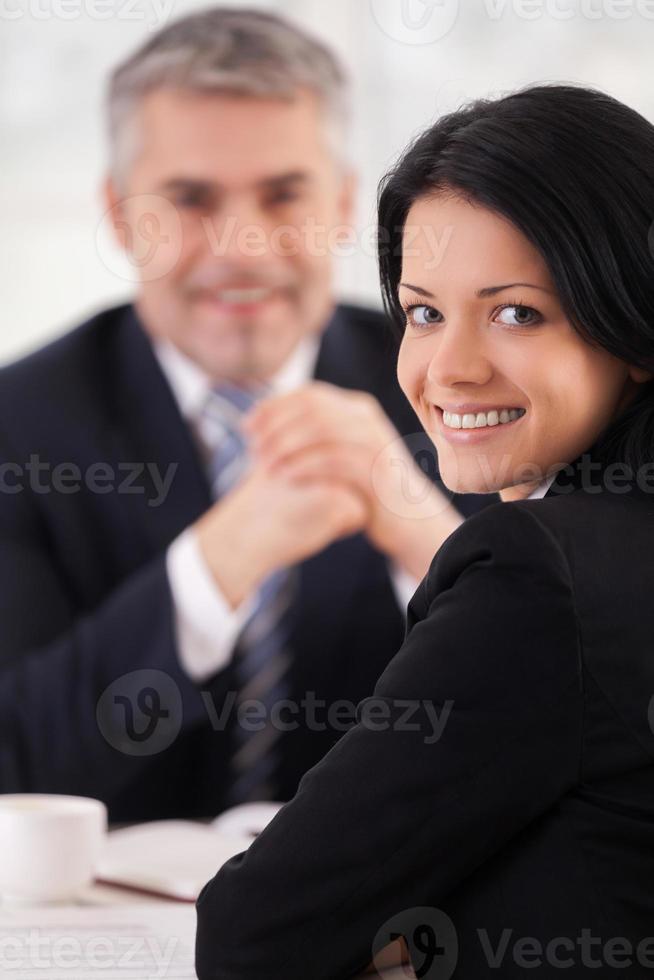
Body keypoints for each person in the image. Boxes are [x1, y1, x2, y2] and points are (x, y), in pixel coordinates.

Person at [195, 84, 654, 978]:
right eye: (424, 312)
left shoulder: (537, 576)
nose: (450, 367)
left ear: (634, 325)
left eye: (517, 311)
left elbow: (254, 934)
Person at [0, 9, 491, 823]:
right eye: (190, 199)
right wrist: (213, 567)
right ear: (120, 217)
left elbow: (567, 726)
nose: (244, 248)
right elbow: (14, 762)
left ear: (340, 206)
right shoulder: (19, 425)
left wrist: (423, 532)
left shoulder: (459, 386)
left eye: (283, 195)